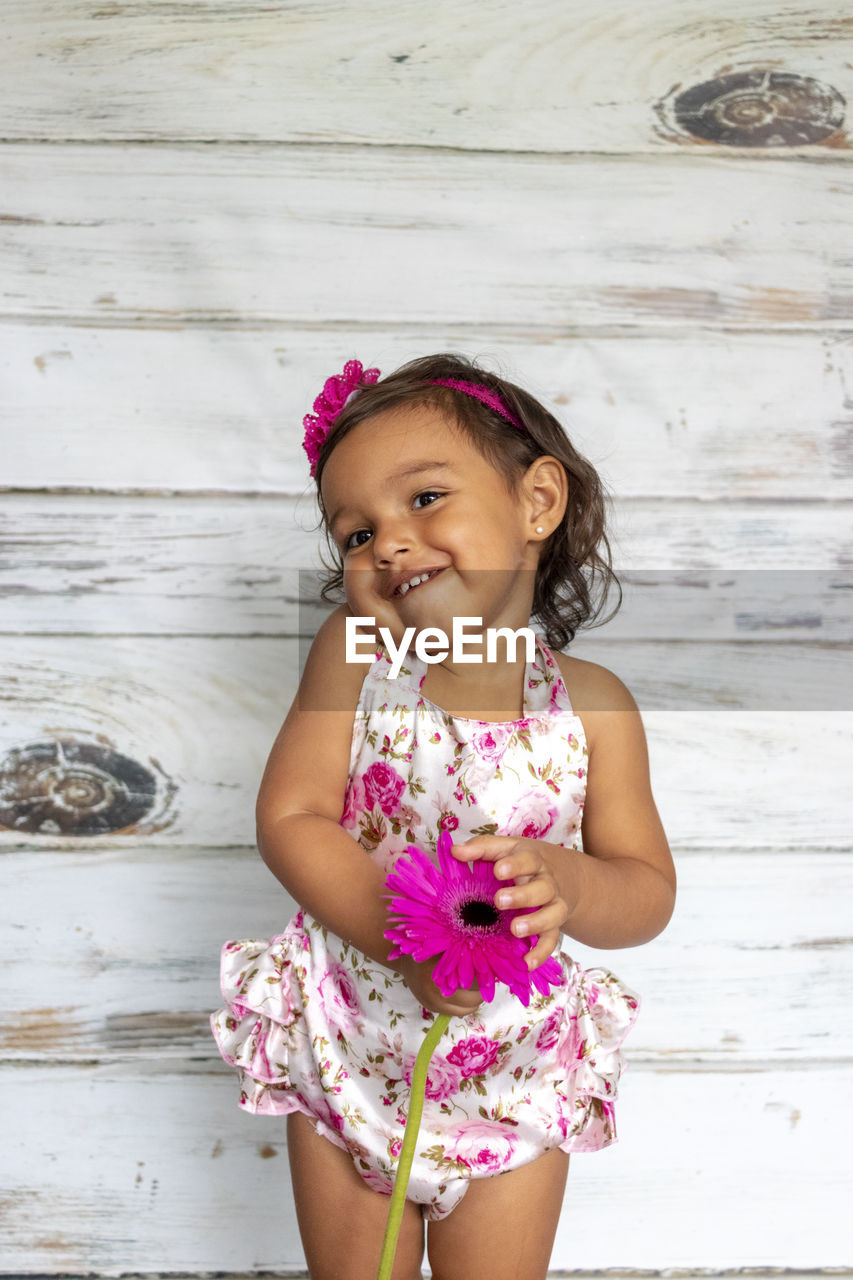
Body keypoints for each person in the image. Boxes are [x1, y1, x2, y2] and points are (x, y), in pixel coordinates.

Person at [211, 354, 676, 1280]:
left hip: (511, 1065)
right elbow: (293, 816)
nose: (385, 544)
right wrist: (398, 939)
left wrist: (573, 882)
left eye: (423, 499)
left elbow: (645, 892)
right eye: (353, 534)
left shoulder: (594, 707)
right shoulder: (357, 657)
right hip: (356, 1042)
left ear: (536, 502)